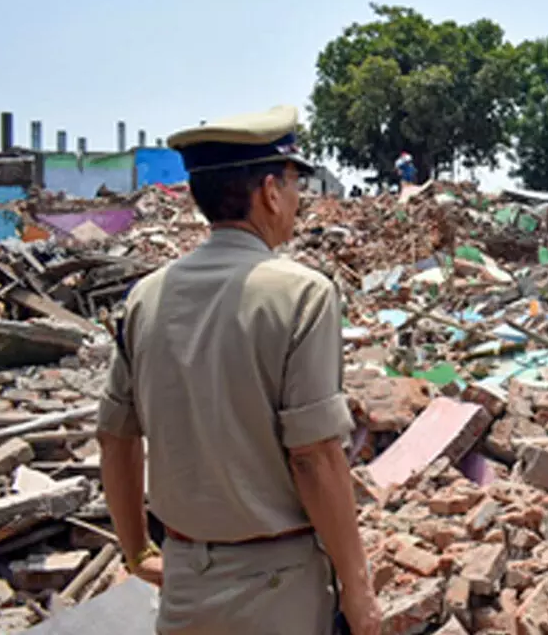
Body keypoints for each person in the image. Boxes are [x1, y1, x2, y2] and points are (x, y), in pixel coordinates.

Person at [95, 105, 382, 635]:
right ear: (270, 192)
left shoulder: (146, 298)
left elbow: (114, 438)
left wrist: (136, 551)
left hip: (183, 581)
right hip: (277, 588)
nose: (298, 200)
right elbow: (315, 457)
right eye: (295, 184)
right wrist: (359, 592)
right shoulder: (303, 294)